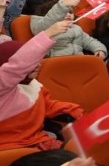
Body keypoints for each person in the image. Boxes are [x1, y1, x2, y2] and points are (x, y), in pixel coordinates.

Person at [0, 21, 83, 151]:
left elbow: (48, 105)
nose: (38, 65)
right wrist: (48, 34)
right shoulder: (2, 85)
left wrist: (76, 112)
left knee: (82, 152)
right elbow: (19, 65)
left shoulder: (34, 85)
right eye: (32, 62)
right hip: (9, 148)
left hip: (38, 141)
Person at [30, 0, 107, 59]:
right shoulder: (46, 27)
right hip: (56, 62)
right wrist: (63, 5)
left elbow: (89, 41)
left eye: (70, 12)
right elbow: (49, 20)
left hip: (78, 61)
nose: (68, 15)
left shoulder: (76, 28)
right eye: (64, 12)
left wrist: (100, 49)